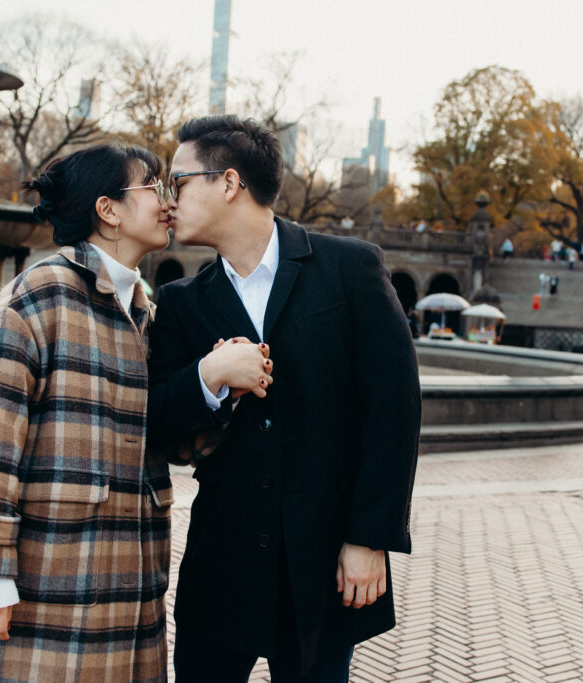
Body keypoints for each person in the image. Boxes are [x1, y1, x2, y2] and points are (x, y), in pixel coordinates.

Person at [0, 144, 243, 682]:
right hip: (44, 583)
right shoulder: (36, 298)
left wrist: (214, 385)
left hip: (125, 588)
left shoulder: (146, 313)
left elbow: (167, 439)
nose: (169, 201)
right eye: (154, 186)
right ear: (109, 210)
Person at [147, 115, 421, 682]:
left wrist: (368, 538)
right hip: (221, 565)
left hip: (322, 563)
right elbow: (160, 422)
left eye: (179, 182)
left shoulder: (349, 268)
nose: (169, 201)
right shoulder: (179, 304)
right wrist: (208, 375)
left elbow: (393, 410)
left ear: (228, 183)